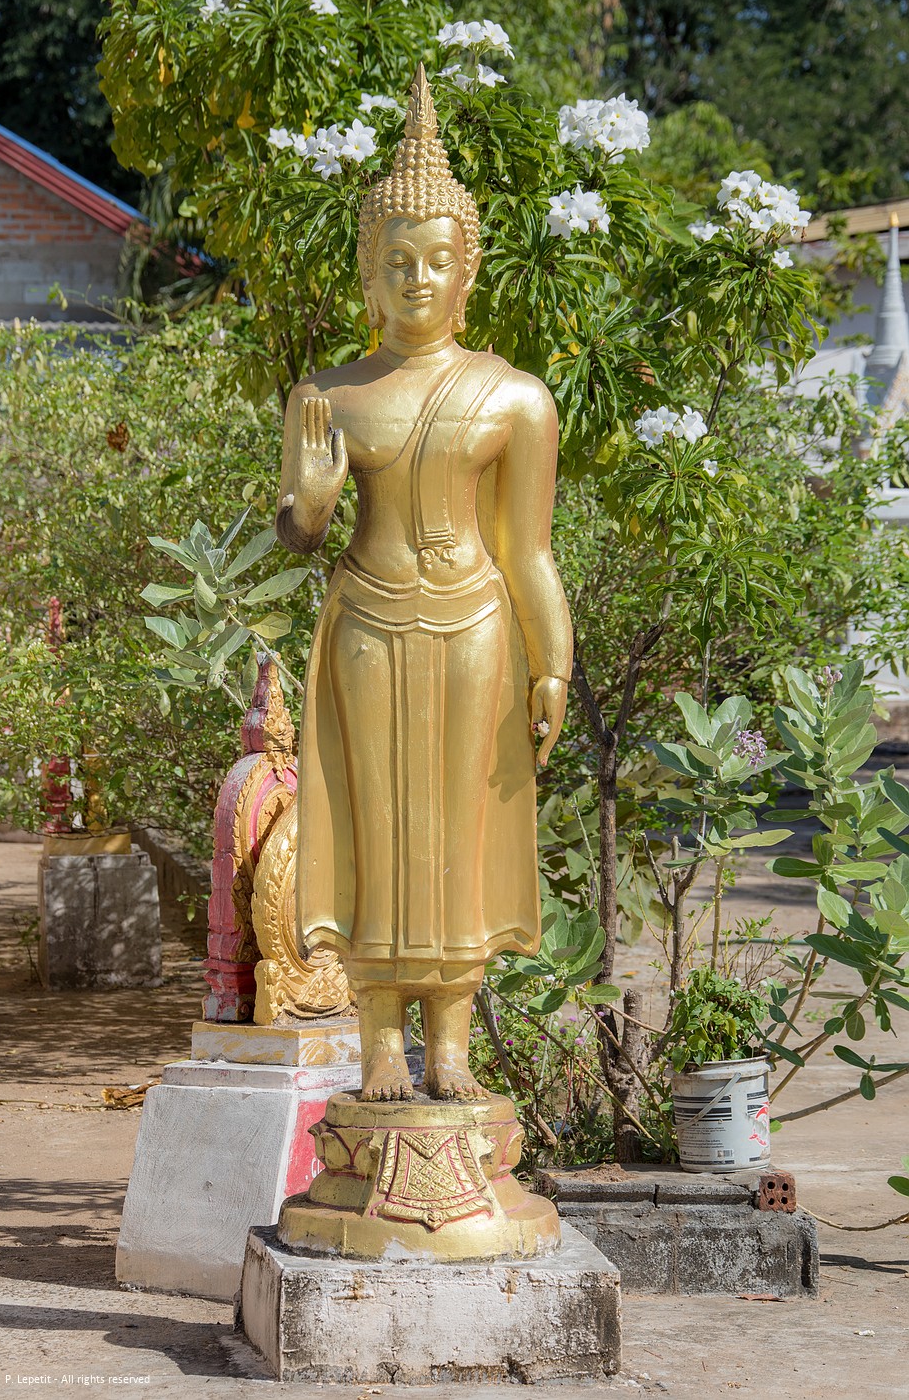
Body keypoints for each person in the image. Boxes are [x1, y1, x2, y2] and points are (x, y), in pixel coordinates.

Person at [276, 64, 573, 1102]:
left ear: (467, 271)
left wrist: (553, 664)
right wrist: (312, 506)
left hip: (477, 623)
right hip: (367, 614)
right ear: (368, 273)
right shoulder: (328, 396)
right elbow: (295, 534)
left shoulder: (516, 399)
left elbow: (530, 550)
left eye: (436, 261)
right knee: (377, 819)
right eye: (396, 261)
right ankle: (379, 1042)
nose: (416, 280)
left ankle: (450, 1040)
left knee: (457, 825)